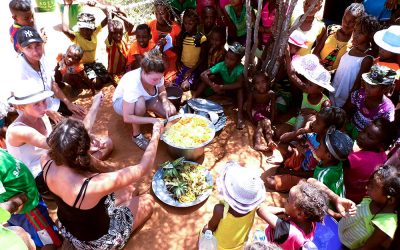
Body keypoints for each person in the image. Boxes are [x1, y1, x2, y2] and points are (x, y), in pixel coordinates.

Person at [40, 118, 163, 249]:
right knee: (147, 201)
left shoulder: (46, 160)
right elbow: (143, 167)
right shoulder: (92, 185)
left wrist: (89, 137)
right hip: (97, 243)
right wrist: (155, 135)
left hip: (70, 230)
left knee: (130, 190)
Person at [6, 82, 112, 182]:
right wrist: (94, 106)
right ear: (21, 107)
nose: (43, 106)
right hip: (38, 174)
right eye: (36, 104)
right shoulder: (18, 130)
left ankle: (81, 172)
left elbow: (67, 135)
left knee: (107, 143)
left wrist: (88, 137)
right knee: (84, 154)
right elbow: (64, 142)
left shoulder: (42, 115)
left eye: (44, 101)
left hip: (53, 158)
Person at [266, 107, 347, 192]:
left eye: (317, 123)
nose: (313, 123)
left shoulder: (327, 150)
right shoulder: (312, 134)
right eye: (315, 120)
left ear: (327, 129)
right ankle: (288, 173)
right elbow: (282, 139)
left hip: (307, 178)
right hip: (300, 164)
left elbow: (313, 174)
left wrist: (290, 172)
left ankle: (293, 186)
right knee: (283, 147)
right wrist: (301, 131)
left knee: (270, 182)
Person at [317, 165, 400, 249]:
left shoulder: (386, 223)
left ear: (390, 199)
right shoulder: (371, 200)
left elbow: (365, 248)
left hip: (344, 247)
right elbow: (355, 214)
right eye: (370, 182)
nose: (367, 187)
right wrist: (336, 215)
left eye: (373, 186)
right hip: (336, 231)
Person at [14, 26, 85, 123]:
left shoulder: (41, 57)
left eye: (38, 45)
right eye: (29, 47)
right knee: (70, 129)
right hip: (36, 116)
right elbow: (21, 105)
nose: (35, 52)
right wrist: (47, 112)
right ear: (20, 48)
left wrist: (68, 104)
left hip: (50, 104)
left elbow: (52, 84)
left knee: (81, 117)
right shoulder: (18, 71)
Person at [112, 49, 176, 150]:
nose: (158, 81)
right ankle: (136, 135)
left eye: (160, 78)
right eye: (155, 79)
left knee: (171, 111)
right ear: (144, 72)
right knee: (140, 102)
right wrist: (153, 120)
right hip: (122, 104)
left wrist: (165, 101)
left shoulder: (157, 74)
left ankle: (144, 114)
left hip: (146, 98)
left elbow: (162, 90)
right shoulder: (133, 84)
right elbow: (127, 117)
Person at [0, 149, 61, 248]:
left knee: (46, 237)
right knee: (25, 229)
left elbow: (13, 202)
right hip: (22, 196)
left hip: (25, 206)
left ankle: (53, 244)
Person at [202, 162, 267, 250]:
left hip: (219, 245)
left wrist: (205, 230)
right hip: (239, 244)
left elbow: (211, 227)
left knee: (204, 232)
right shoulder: (252, 206)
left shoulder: (220, 209)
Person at [330, 14, 380, 108]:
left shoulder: (366, 59)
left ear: (369, 36)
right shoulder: (352, 48)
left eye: (360, 33)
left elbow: (357, 86)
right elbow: (343, 70)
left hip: (343, 101)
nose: (355, 35)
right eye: (355, 30)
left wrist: (347, 107)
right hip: (333, 92)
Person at [278, 53, 333, 137]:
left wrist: (313, 112)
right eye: (308, 82)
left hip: (309, 128)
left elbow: (323, 122)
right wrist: (287, 55)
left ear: (320, 89)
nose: (307, 85)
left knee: (311, 119)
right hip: (298, 119)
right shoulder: (306, 90)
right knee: (279, 133)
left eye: (310, 84)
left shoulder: (325, 103)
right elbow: (292, 75)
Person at [62, 0, 112, 91]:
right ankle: (80, 81)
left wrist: (98, 5)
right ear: (79, 28)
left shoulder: (94, 33)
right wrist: (66, 5)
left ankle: (86, 80)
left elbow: (109, 17)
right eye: (83, 29)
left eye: (88, 29)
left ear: (92, 29)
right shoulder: (76, 37)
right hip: (83, 66)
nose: (85, 31)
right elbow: (65, 29)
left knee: (108, 78)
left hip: (94, 63)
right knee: (97, 84)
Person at [195, 42, 246, 129]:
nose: (227, 60)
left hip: (232, 91)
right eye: (227, 57)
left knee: (240, 89)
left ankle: (240, 114)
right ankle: (194, 98)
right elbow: (203, 74)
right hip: (222, 90)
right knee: (210, 77)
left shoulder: (240, 68)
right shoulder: (222, 65)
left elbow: (240, 84)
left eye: (232, 59)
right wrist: (213, 86)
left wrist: (222, 87)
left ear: (238, 61)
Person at [262, 182, 328, 249]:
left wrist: (284, 210)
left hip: (269, 244)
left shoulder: (287, 230)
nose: (285, 200)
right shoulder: (311, 223)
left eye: (288, 200)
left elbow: (261, 211)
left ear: (299, 214)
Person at [344, 118, 394, 204]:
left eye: (369, 137)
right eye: (364, 131)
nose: (362, 136)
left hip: (344, 194)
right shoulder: (383, 156)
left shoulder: (355, 159)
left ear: (381, 145)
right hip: (358, 198)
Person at [345, 64, 396, 139]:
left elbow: (382, 135)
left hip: (365, 140)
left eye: (372, 86)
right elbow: (347, 110)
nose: (367, 88)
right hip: (348, 129)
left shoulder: (387, 110)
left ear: (385, 89)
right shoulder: (359, 94)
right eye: (367, 83)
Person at [314, 3, 365, 71]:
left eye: (351, 21)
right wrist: (321, 66)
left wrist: (330, 73)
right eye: (345, 19)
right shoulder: (331, 30)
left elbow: (346, 68)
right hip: (316, 66)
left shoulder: (354, 43)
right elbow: (316, 52)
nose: (346, 23)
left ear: (357, 23)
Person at [313, 128, 353, 198]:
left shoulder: (322, 177)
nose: (317, 147)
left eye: (319, 146)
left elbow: (318, 200)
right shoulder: (339, 162)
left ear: (328, 156)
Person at [148, 0, 182, 84]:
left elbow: (180, 50)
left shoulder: (176, 28)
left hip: (171, 60)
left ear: (168, 13)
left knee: (167, 82)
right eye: (157, 13)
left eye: (162, 13)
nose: (159, 16)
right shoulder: (151, 25)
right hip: (156, 58)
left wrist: (169, 44)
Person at [175, 9, 207, 90]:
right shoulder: (184, 36)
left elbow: (203, 58)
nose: (187, 26)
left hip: (194, 69)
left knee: (185, 86)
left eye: (190, 24)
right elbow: (180, 51)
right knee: (174, 85)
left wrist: (191, 70)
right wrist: (178, 62)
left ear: (196, 23)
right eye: (185, 23)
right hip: (183, 67)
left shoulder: (200, 38)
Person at [245, 72, 276, 152]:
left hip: (264, 112)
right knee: (261, 124)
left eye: (263, 82)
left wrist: (272, 119)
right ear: (254, 85)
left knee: (267, 124)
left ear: (268, 83)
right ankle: (258, 144)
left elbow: (273, 108)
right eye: (257, 83)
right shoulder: (253, 94)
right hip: (255, 111)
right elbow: (248, 108)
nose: (261, 85)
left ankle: (269, 142)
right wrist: (251, 119)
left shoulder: (271, 94)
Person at [373, 25, 400, 104]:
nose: (381, 50)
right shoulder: (379, 59)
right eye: (381, 46)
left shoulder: (393, 70)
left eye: (385, 48)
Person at [105, 15, 134, 84]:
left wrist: (121, 15)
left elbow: (131, 25)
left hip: (124, 69)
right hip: (114, 72)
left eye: (120, 33)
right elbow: (111, 30)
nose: (118, 35)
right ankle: (110, 77)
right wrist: (109, 14)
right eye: (115, 33)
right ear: (111, 33)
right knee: (121, 84)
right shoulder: (110, 43)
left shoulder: (124, 38)